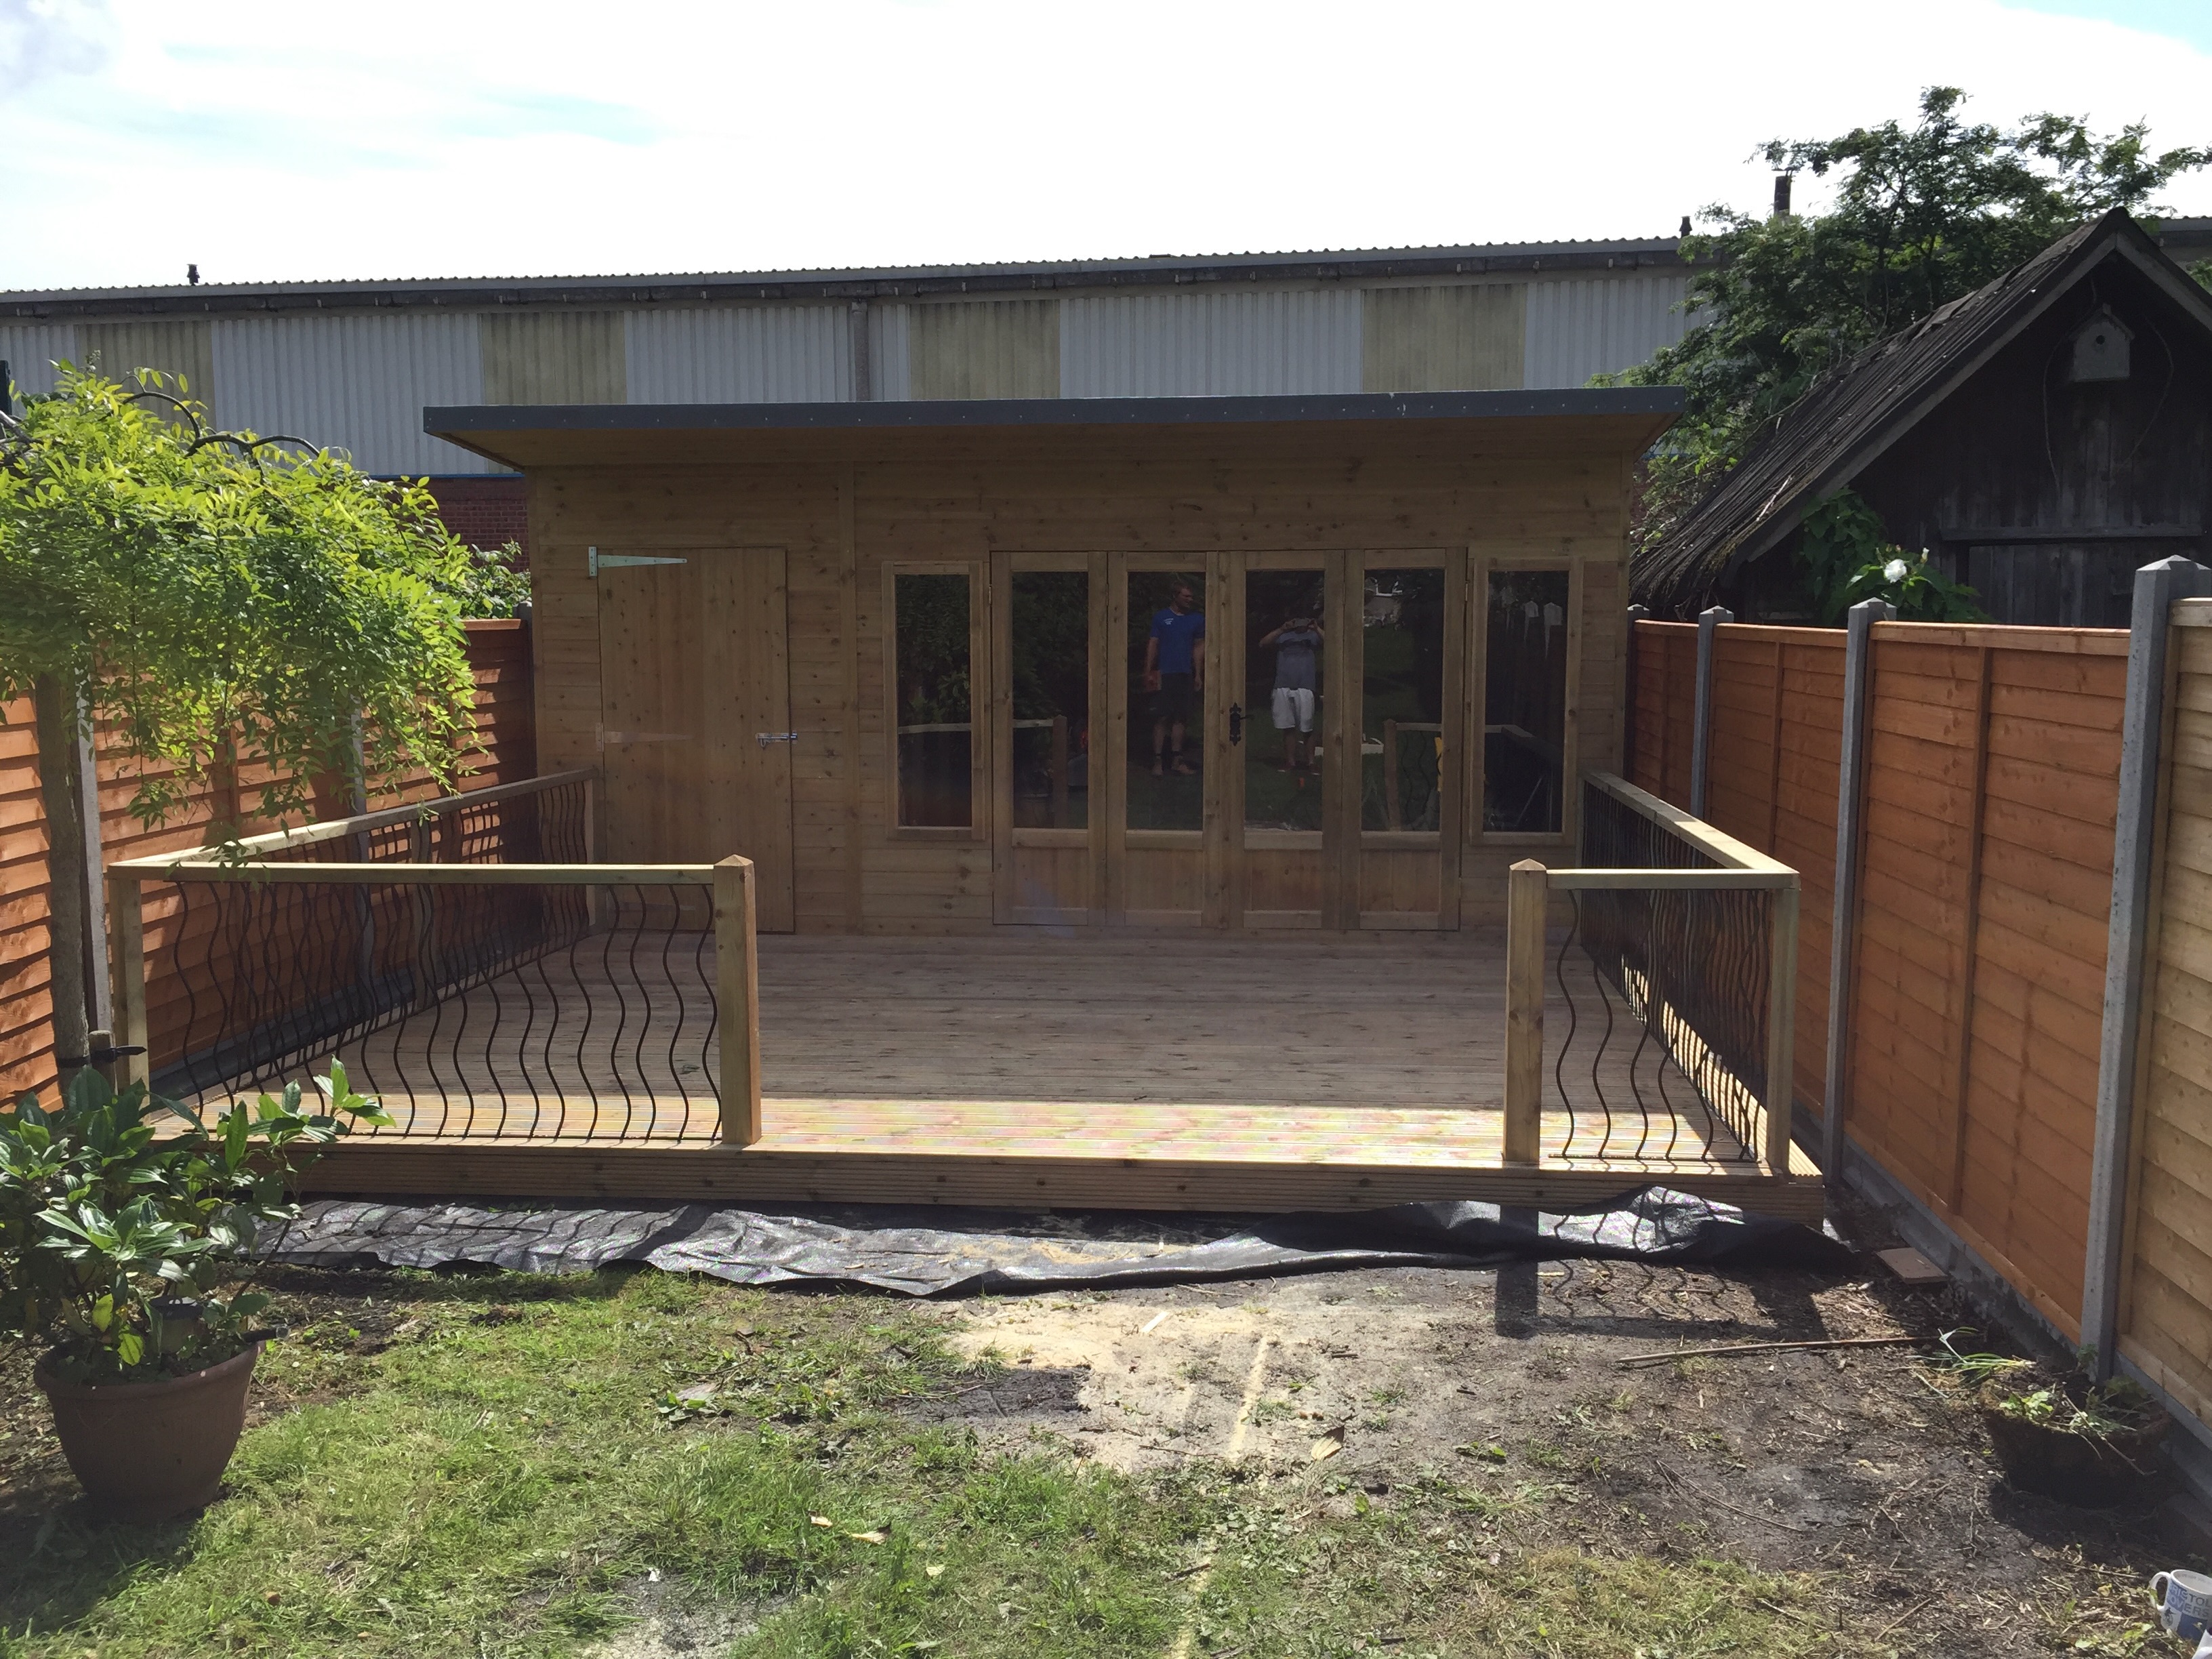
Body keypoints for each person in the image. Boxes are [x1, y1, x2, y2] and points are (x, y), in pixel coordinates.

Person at [1143, 581, 1206, 777]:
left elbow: (1199, 648)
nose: (1190, 600)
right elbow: (1153, 644)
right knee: (1162, 717)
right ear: (1175, 596)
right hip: (1165, 673)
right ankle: (1158, 761)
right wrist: (1148, 671)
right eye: (1186, 596)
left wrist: (1198, 674)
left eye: (1191, 596)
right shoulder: (1161, 617)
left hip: (1184, 673)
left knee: (1181, 717)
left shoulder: (1196, 619)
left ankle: (1177, 760)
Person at [1258, 607, 1323, 772]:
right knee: (1288, 727)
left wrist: (1316, 628)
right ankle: (1290, 762)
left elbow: (1333, 643)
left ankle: (1311, 762)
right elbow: (1263, 643)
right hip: (1283, 684)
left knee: (1307, 727)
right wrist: (1282, 629)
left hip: (1305, 686)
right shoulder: (1283, 636)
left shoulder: (1312, 636)